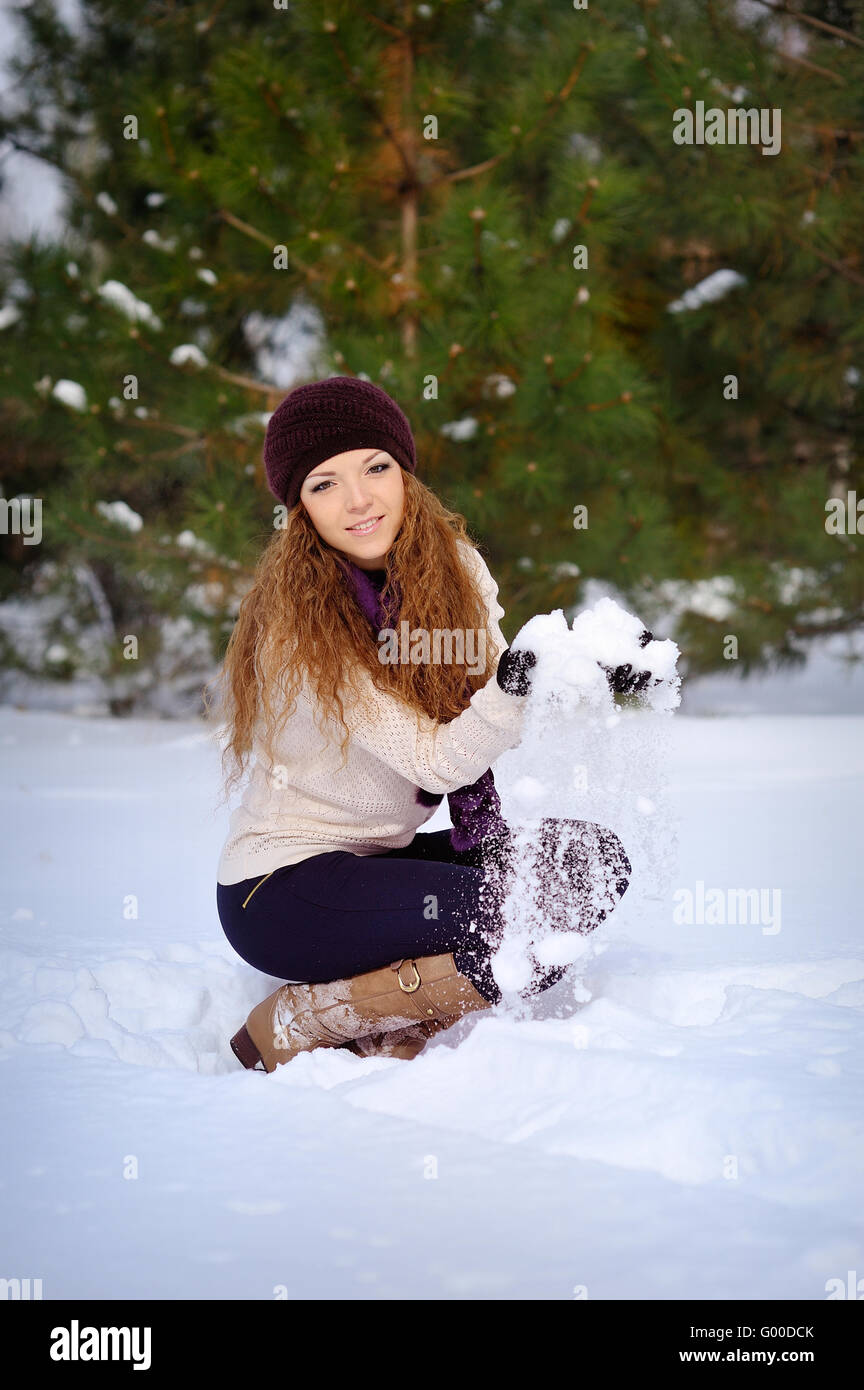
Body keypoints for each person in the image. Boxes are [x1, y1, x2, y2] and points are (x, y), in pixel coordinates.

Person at [211, 376, 634, 1073]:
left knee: (587, 869)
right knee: (518, 918)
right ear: (300, 508)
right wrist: (517, 682)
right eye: (324, 483)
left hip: (376, 864)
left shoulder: (452, 569)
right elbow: (441, 759)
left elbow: (503, 697)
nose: (358, 500)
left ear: (405, 473)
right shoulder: (300, 625)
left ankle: (393, 1008)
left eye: (375, 467)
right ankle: (307, 1017)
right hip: (281, 892)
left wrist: (602, 670)